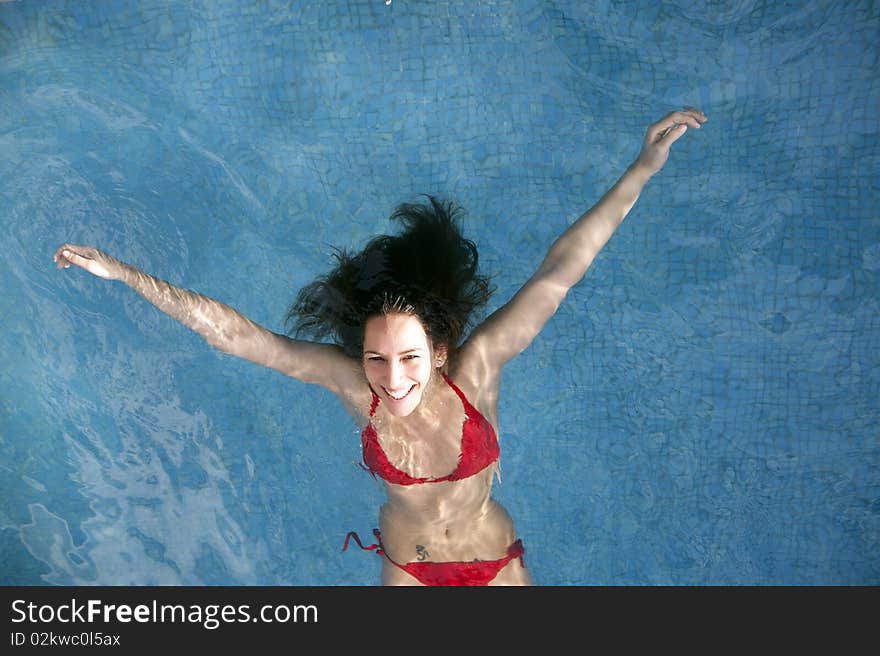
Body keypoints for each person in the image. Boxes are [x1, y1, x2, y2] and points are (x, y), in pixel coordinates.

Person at [53, 107, 708, 585]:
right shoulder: (353, 388)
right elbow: (234, 334)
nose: (391, 380)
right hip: (410, 570)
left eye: (409, 359)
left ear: (442, 352)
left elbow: (564, 266)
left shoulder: (477, 369)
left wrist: (645, 164)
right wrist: (122, 273)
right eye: (376, 359)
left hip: (494, 555)